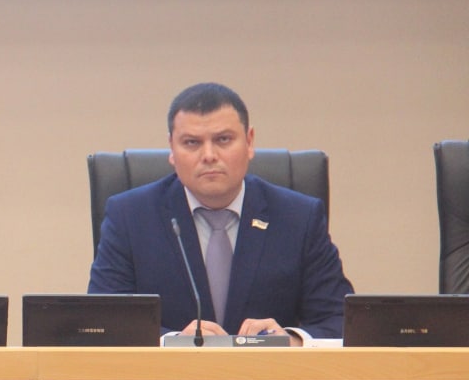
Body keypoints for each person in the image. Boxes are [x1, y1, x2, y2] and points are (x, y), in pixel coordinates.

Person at [88, 82, 354, 343]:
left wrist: (290, 340)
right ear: (172, 149)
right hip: (169, 372)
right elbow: (103, 322)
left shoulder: (299, 218)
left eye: (223, 140)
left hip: (268, 371)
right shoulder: (129, 217)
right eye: (192, 142)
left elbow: (339, 321)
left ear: (249, 142)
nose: (209, 155)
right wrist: (174, 341)